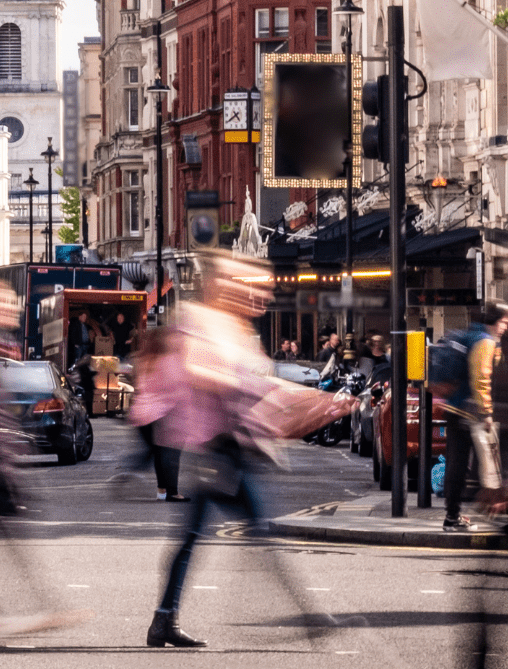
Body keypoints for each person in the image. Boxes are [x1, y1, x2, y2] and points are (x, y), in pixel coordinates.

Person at [145, 255, 354, 647]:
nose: (260, 294)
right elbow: (194, 369)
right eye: (251, 285)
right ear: (223, 285)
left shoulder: (241, 331)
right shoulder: (197, 319)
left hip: (234, 450)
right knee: (248, 535)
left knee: (199, 537)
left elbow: (267, 390)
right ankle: (308, 616)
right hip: (213, 449)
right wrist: (236, 381)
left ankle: (163, 620)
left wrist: (323, 404)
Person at [442, 302, 508, 532]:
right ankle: (477, 512)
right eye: (504, 321)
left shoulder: (471, 334)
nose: (506, 326)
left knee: (457, 464)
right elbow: (481, 378)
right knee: (485, 463)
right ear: (496, 321)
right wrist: (487, 412)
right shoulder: (485, 341)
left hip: (454, 408)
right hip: (471, 412)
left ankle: (453, 516)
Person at [126, 325, 184, 502]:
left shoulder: (140, 360)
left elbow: (137, 385)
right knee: (171, 452)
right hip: (162, 412)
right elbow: (176, 386)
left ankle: (161, 491)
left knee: (158, 453)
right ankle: (172, 492)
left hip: (141, 413)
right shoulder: (168, 360)